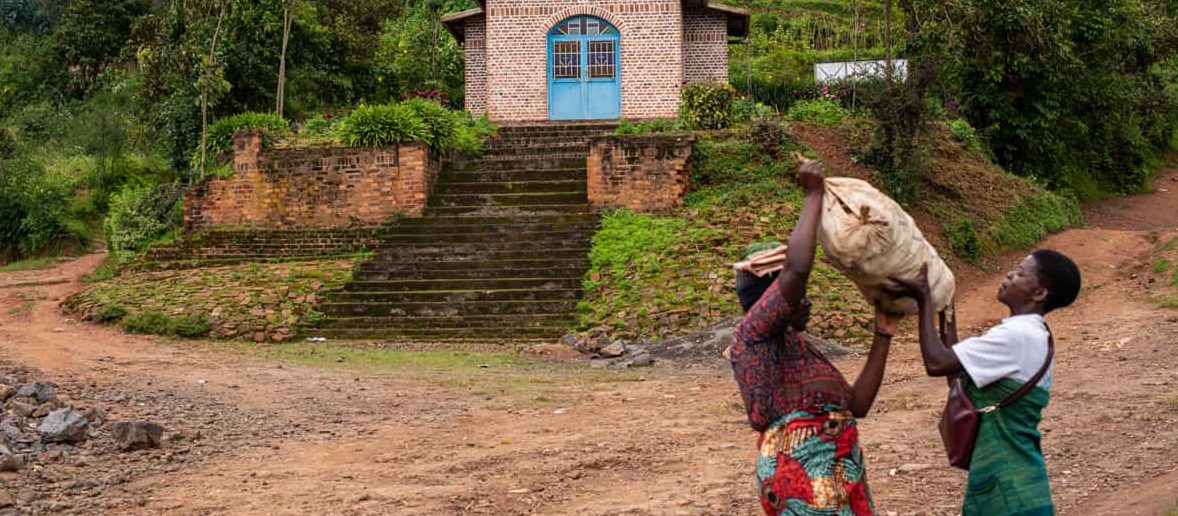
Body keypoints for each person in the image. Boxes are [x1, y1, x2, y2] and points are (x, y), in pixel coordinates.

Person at [729, 158, 898, 516]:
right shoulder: (753, 335)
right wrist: (813, 195)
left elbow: (857, 405)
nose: (806, 300)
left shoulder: (798, 350)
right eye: (795, 295)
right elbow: (797, 268)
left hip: (841, 477)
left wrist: (882, 334)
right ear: (770, 299)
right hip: (803, 478)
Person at [891, 250, 1081, 516]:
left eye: (1020, 273)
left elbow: (936, 363)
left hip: (1010, 493)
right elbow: (958, 380)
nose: (1009, 274)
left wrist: (923, 300)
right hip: (1016, 484)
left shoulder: (1017, 335)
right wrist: (947, 309)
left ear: (1039, 293)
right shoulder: (1034, 333)